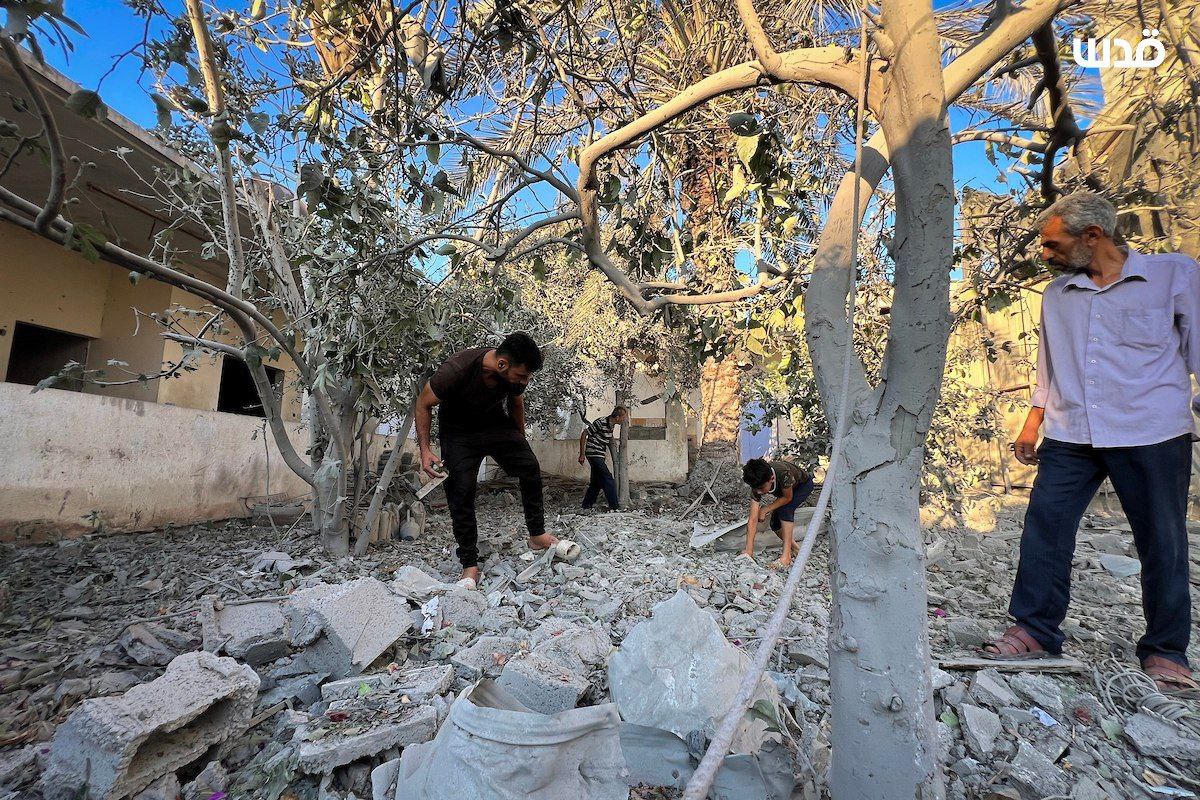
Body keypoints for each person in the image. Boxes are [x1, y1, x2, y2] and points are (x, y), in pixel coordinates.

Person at [982, 192, 1199, 692]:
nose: (1044, 253)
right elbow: (1049, 366)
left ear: (1094, 236)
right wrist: (1032, 422)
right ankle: (1036, 629)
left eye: (1053, 244)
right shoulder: (1058, 296)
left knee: (1162, 538)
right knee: (1045, 525)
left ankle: (1166, 650)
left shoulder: (1174, 275)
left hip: (1150, 430)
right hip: (1073, 430)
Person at [415, 332, 557, 588]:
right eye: (522, 375)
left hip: (494, 425)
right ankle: (469, 564)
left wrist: (519, 439)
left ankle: (536, 534)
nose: (525, 381)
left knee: (529, 467)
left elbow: (516, 403)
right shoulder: (456, 370)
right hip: (458, 434)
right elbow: (423, 404)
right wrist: (425, 451)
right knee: (461, 492)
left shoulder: (513, 376)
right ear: (502, 365)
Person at [741, 457, 815, 568]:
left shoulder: (782, 473)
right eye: (755, 488)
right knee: (775, 524)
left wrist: (766, 509)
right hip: (784, 490)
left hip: (802, 486)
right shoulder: (758, 482)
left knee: (785, 511)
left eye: (761, 488)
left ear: (771, 479)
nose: (758, 492)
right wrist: (749, 551)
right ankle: (796, 549)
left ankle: (786, 557)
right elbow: (752, 519)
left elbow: (787, 498)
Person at [578, 406, 628, 511]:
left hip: (599, 454)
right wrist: (582, 454)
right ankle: (614, 506)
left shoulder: (611, 425)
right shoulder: (601, 422)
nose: (624, 420)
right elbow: (584, 434)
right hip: (593, 453)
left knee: (596, 482)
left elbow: (608, 440)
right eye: (623, 417)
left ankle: (586, 505)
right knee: (608, 478)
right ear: (617, 417)